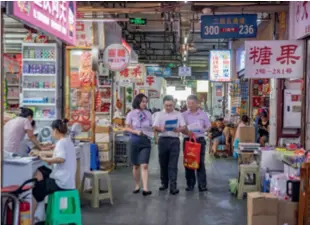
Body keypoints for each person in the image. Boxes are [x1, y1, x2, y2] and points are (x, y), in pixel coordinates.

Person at [30, 119, 76, 219]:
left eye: (52, 130)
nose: (51, 133)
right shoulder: (67, 141)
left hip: (61, 183)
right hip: (68, 181)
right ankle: (39, 214)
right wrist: (40, 153)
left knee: (36, 190)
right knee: (43, 171)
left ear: (55, 130)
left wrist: (45, 159)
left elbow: (60, 158)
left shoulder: (61, 143)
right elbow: (56, 154)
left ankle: (31, 218)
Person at [153, 95, 186, 195]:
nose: (168, 107)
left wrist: (178, 129)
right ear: (163, 104)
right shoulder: (159, 114)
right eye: (166, 105)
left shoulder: (178, 114)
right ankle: (164, 183)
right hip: (163, 140)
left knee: (173, 164)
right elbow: (154, 126)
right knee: (163, 163)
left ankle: (173, 186)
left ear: (174, 104)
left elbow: (183, 126)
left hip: (174, 140)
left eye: (170, 105)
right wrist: (160, 129)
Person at [125, 94, 152, 196]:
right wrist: (135, 132)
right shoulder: (131, 114)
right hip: (134, 140)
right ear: (138, 102)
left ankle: (145, 188)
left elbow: (151, 126)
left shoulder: (148, 114)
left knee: (144, 165)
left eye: (146, 101)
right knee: (136, 165)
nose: (144, 103)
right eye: (143, 101)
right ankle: (137, 185)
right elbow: (126, 128)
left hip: (145, 141)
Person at [182, 95, 210, 192]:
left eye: (192, 103)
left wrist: (203, 129)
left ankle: (202, 185)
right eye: (188, 103)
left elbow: (208, 127)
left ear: (197, 103)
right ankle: (190, 185)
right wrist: (186, 131)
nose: (190, 105)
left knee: (200, 163)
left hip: (200, 140)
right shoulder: (184, 115)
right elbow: (181, 128)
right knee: (189, 162)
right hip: (188, 140)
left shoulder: (203, 115)